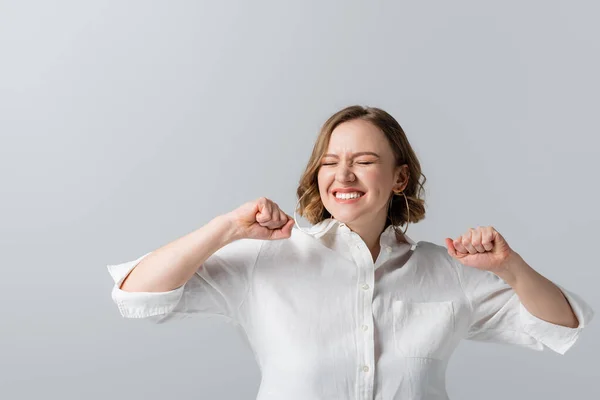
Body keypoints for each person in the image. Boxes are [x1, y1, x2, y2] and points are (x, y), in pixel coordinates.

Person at [107, 105, 594, 399]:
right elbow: (135, 295)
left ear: (400, 178)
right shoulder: (269, 260)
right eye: (330, 163)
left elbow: (562, 324)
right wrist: (225, 229)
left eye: (363, 162)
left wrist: (509, 266)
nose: (343, 176)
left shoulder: (448, 272)